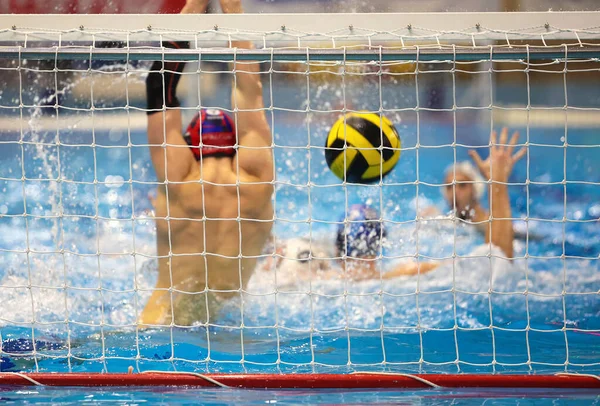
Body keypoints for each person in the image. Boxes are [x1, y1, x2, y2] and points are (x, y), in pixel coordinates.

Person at [141, 0, 274, 326]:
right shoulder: (257, 183)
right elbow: (249, 90)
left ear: (189, 147)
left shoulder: (179, 177)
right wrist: (232, 8)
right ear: (235, 147)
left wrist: (197, 5)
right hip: (230, 328)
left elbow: (160, 85)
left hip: (162, 322)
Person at [441, 128, 526, 258]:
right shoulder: (447, 221)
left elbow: (499, 259)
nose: (454, 192)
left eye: (462, 186)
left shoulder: (487, 223)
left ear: (475, 190)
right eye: (449, 187)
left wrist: (497, 181)